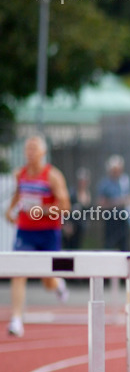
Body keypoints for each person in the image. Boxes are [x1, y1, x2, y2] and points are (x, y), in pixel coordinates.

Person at [5, 136, 71, 336]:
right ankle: (16, 319)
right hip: (25, 231)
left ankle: (58, 284)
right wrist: (10, 211)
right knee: (18, 273)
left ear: (43, 153)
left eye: (34, 149)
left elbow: (65, 207)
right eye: (28, 149)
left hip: (48, 232)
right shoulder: (20, 174)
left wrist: (40, 209)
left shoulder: (52, 176)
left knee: (47, 280)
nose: (30, 153)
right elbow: (18, 195)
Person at [96, 155, 130, 251]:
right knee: (109, 246)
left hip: (124, 218)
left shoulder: (125, 181)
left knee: (124, 247)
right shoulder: (105, 184)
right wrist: (117, 202)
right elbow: (101, 204)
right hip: (111, 219)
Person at [62, 168, 92, 250]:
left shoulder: (88, 195)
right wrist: (65, 224)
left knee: (77, 248)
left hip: (80, 227)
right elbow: (65, 209)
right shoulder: (72, 193)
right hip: (70, 227)